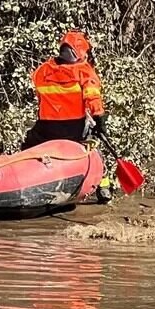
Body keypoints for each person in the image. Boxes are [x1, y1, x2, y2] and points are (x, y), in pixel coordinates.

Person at [21, 29, 112, 202]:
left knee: (27, 146)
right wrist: (100, 121)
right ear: (79, 52)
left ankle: (23, 178)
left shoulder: (43, 70)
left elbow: (39, 95)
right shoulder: (84, 71)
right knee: (94, 145)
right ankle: (103, 185)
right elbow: (93, 97)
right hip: (74, 128)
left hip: (46, 127)